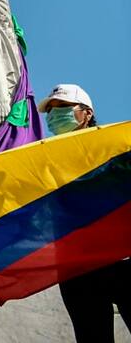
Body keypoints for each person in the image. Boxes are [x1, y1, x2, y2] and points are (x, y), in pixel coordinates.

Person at [39, 84, 131, 342]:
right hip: (77, 269)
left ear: (86, 113)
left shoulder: (114, 148)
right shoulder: (42, 161)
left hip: (122, 260)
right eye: (52, 111)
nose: (55, 115)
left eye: (64, 108)